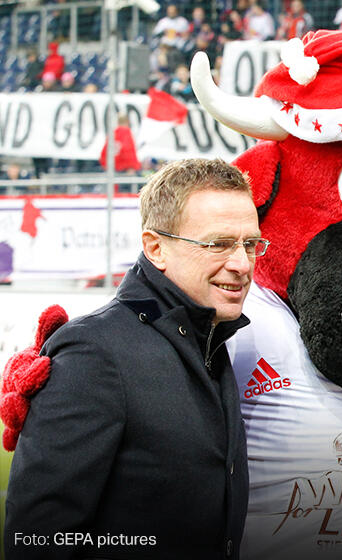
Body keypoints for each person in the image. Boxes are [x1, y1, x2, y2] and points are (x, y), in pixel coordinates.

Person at [4, 158, 259, 559]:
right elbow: (37, 539)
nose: (242, 264)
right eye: (219, 244)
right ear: (155, 247)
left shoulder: (209, 338)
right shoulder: (93, 353)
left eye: (250, 244)